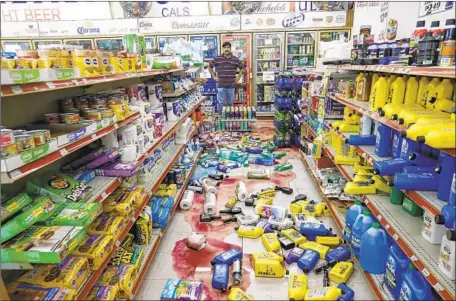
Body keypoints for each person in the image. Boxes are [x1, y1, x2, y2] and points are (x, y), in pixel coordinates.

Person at [208, 41, 245, 109]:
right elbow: (209, 67)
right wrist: (214, 76)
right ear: (222, 49)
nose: (226, 49)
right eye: (225, 48)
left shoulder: (235, 59)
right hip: (221, 85)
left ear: (230, 48)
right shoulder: (217, 59)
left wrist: (238, 77)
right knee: (222, 103)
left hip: (231, 85)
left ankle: (229, 118)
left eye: (228, 47)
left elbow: (242, 68)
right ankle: (222, 118)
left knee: (230, 103)